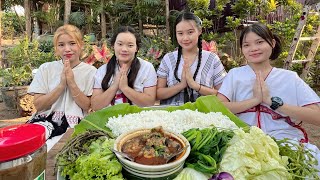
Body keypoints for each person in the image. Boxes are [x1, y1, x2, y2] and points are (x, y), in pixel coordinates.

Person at [217, 23, 320, 172]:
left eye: (259, 42)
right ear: (242, 49)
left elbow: (316, 117)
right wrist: (254, 100)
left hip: (285, 140)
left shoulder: (289, 78)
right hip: (243, 140)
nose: (253, 48)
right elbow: (219, 107)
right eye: (247, 45)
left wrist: (272, 102)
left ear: (272, 43)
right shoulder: (235, 75)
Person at [28, 24, 97, 139]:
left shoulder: (91, 72)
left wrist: (71, 83)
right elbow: (38, 105)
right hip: (45, 121)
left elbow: (87, 106)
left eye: (72, 43)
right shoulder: (46, 69)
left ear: (81, 45)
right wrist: (61, 85)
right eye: (61, 45)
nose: (67, 49)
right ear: (56, 48)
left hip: (77, 123)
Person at [156, 11, 226, 105]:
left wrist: (195, 86)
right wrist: (181, 85)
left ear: (199, 31)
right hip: (172, 116)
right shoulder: (168, 59)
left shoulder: (212, 59)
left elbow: (224, 96)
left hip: (203, 116)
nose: (185, 38)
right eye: (180, 33)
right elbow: (158, 94)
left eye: (190, 32)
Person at [91, 26, 157, 110]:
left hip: (139, 119)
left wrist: (125, 88)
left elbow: (149, 103)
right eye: (120, 44)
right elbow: (95, 106)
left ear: (136, 48)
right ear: (113, 46)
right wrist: (115, 86)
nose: (124, 49)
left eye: (130, 45)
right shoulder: (102, 71)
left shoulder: (147, 68)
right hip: (110, 120)